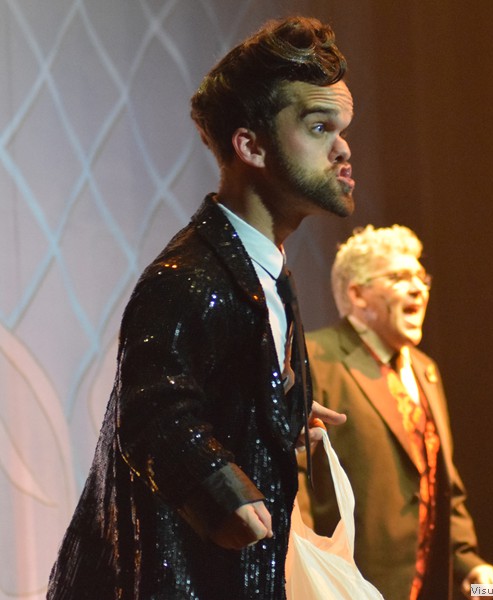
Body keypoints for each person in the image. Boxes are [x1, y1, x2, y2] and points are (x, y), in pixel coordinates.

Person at [47, 16, 354, 599]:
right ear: (250, 145)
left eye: (341, 128)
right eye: (319, 127)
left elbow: (203, 390)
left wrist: (274, 411)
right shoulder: (187, 277)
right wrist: (218, 488)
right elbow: (154, 410)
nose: (342, 148)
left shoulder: (264, 271)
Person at [298, 225, 493, 600]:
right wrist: (307, 572)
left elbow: (440, 479)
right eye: (398, 277)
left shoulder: (425, 370)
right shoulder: (317, 358)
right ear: (357, 294)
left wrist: (466, 560)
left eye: (421, 277)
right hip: (350, 585)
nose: (418, 288)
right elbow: (295, 476)